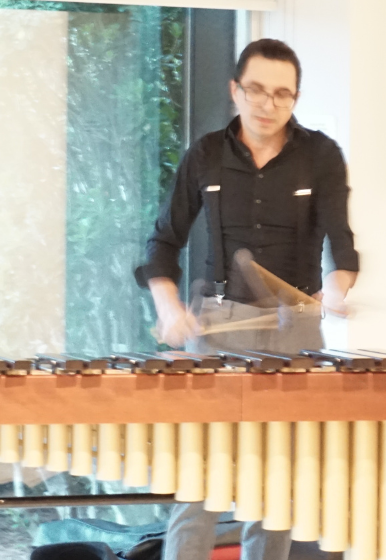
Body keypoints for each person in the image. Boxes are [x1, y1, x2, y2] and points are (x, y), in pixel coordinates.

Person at [133, 38, 359, 560]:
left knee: (277, 486)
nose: (267, 104)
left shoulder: (321, 155)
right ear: (235, 90)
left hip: (295, 330)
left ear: (295, 98)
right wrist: (168, 306)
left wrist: (338, 286)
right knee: (201, 481)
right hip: (217, 328)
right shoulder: (207, 154)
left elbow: (342, 243)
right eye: (256, 89)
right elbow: (163, 241)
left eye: (282, 94)